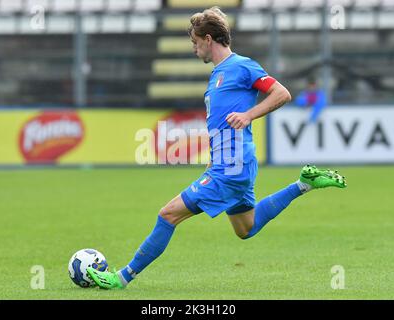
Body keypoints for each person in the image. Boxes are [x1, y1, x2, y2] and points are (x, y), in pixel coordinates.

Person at [86, 7, 347, 289]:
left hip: (232, 168)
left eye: (195, 43)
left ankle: (121, 278)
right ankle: (303, 184)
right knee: (245, 228)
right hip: (232, 164)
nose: (194, 49)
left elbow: (281, 93)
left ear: (208, 39)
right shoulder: (219, 75)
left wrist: (249, 115)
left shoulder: (242, 66)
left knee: (167, 214)